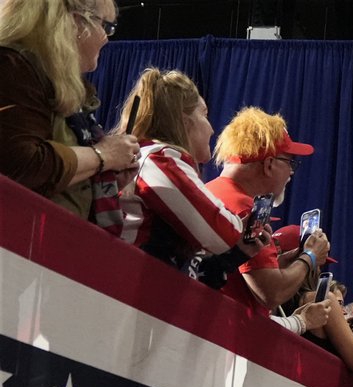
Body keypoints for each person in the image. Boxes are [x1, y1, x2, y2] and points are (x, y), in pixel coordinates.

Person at [0, 0, 138, 221]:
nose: (106, 38)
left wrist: (102, 177)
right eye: (106, 26)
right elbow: (22, 164)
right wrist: (103, 156)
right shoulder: (13, 67)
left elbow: (52, 180)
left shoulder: (47, 79)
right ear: (76, 23)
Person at [114, 68, 258, 274]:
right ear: (184, 121)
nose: (211, 128)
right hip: (122, 289)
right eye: (204, 114)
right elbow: (224, 232)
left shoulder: (157, 159)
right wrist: (237, 227)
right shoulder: (157, 160)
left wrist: (238, 251)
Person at [206, 107, 329, 316]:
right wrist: (310, 256)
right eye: (290, 162)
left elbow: (237, 273)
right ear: (269, 164)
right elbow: (271, 293)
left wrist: (283, 263)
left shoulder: (210, 190)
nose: (291, 172)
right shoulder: (246, 209)